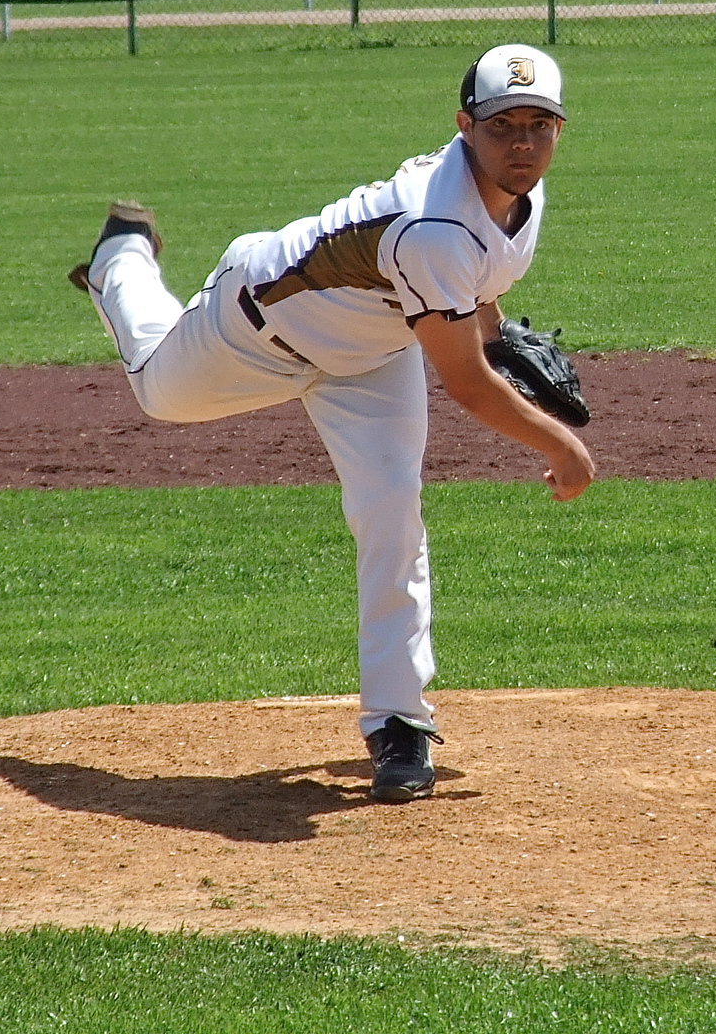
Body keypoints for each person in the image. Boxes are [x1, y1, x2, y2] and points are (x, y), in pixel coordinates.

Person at [68, 43, 595, 803]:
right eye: (501, 125)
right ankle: (119, 258)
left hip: (372, 356)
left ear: (559, 130)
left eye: (538, 125)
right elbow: (466, 385)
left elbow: (475, 278)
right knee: (157, 388)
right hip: (258, 328)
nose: (522, 143)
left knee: (391, 511)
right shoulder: (432, 224)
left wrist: (494, 332)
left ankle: (399, 723)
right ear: (464, 127)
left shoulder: (521, 199)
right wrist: (562, 446)